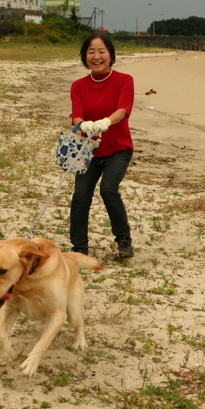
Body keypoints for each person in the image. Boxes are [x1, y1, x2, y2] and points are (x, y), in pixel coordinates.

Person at [69, 33, 135, 258]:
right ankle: (79, 249)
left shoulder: (125, 80)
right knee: (80, 196)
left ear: (111, 55)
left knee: (108, 189)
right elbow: (76, 116)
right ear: (85, 56)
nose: (96, 56)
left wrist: (107, 121)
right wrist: (84, 124)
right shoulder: (78, 86)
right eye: (91, 52)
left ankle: (124, 241)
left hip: (118, 148)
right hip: (88, 151)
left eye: (101, 51)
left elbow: (123, 109)